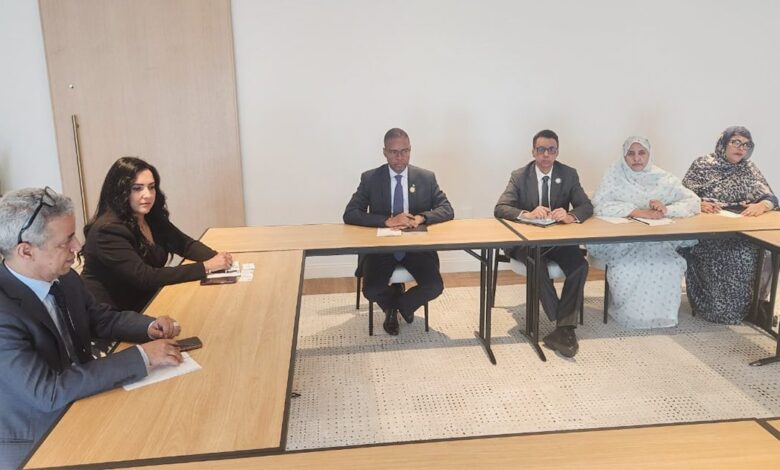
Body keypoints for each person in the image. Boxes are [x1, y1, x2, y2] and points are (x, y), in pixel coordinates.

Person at [0, 187, 184, 468]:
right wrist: (142, 356)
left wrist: (149, 326)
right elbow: (48, 391)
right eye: (66, 241)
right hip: (40, 436)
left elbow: (100, 318)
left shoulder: (65, 277)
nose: (77, 247)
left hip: (85, 400)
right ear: (26, 251)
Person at [81, 157, 233, 312]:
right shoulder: (107, 230)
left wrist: (219, 258)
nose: (147, 195)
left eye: (151, 187)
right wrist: (206, 267)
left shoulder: (150, 218)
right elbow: (145, 277)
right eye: (137, 188)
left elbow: (185, 245)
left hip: (147, 301)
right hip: (115, 314)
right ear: (120, 192)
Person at [344, 128, 454, 335]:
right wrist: (386, 221)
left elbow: (447, 209)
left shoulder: (426, 177)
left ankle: (397, 307)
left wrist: (421, 217)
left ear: (410, 150)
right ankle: (396, 306)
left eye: (405, 151)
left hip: (416, 248)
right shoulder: (371, 178)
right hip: (381, 248)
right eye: (394, 152)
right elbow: (350, 213)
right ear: (385, 152)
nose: (400, 157)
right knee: (371, 290)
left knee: (434, 286)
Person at [494, 129, 593, 358]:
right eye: (541, 150)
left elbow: (586, 206)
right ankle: (563, 323)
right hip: (525, 242)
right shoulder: (520, 176)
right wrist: (527, 214)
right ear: (533, 152)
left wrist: (570, 215)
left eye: (551, 150)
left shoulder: (568, 174)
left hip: (557, 240)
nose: (546, 154)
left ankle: (563, 329)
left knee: (580, 266)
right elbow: (500, 208)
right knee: (536, 263)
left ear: (557, 152)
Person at [587, 136, 700, 328]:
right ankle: (630, 315)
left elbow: (693, 202)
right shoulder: (614, 175)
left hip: (657, 240)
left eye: (641, 153)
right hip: (623, 241)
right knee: (628, 268)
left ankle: (663, 316)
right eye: (630, 154)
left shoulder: (663, 178)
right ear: (624, 156)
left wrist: (666, 209)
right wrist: (637, 212)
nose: (636, 158)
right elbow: (598, 205)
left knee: (669, 265)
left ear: (649, 154)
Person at [681, 126, 778, 324]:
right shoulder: (703, 165)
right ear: (723, 143)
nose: (741, 148)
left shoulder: (749, 168)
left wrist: (761, 205)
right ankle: (721, 309)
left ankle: (755, 306)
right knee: (734, 254)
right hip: (711, 231)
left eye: (746, 145)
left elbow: (771, 197)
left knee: (768, 253)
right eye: (736, 142)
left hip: (742, 226)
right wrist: (699, 203)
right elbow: (682, 196)